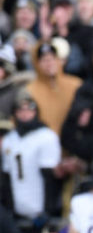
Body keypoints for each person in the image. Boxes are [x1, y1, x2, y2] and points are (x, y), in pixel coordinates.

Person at [1, 89, 61, 221]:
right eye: (20, 110)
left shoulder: (46, 136)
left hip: (39, 206)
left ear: (36, 112)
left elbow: (50, 177)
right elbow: (7, 176)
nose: (25, 114)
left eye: (29, 109)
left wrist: (48, 209)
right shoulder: (10, 138)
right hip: (18, 207)